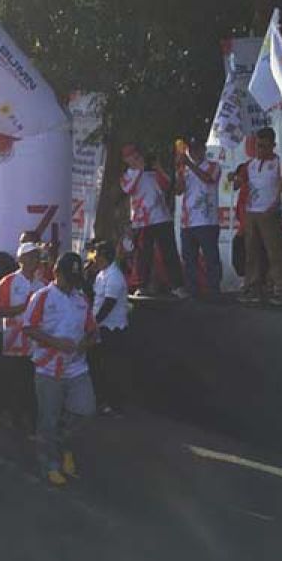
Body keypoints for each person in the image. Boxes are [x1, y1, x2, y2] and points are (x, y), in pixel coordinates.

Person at [23, 252, 97, 487]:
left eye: (75, 280)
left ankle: (65, 447)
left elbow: (92, 330)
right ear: (56, 273)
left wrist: (85, 342)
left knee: (85, 411)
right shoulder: (42, 297)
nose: (71, 284)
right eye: (68, 278)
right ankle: (50, 464)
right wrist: (56, 343)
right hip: (48, 367)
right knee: (48, 419)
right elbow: (29, 327)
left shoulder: (81, 299)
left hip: (76, 367)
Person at [120, 142, 188, 298]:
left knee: (169, 252)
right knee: (143, 254)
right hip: (141, 220)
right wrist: (139, 169)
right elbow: (128, 189)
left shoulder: (151, 173)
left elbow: (166, 185)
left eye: (136, 154)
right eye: (131, 156)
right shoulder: (127, 176)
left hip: (161, 217)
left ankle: (177, 285)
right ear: (126, 159)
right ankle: (141, 285)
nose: (135, 158)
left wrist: (157, 167)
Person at [233, 128, 282, 305]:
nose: (261, 149)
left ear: (273, 145)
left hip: (270, 212)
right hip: (251, 212)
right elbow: (239, 183)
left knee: (274, 252)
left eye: (265, 146)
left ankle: (281, 288)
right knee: (251, 252)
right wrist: (235, 179)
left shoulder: (279, 163)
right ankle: (252, 287)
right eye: (258, 146)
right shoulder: (250, 164)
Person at [0, 240, 44, 431]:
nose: (33, 260)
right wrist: (24, 307)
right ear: (20, 259)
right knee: (14, 384)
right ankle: (15, 422)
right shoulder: (8, 282)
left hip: (36, 344)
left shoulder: (43, 284)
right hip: (13, 343)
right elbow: (0, 310)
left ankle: (31, 420)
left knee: (31, 386)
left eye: (36, 256)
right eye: (29, 256)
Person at [174, 134, 222, 297]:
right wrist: (179, 171)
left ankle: (214, 289)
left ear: (204, 149)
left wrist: (189, 164)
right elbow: (179, 191)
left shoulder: (213, 165)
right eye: (191, 150)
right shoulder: (184, 168)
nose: (195, 153)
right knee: (189, 259)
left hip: (207, 220)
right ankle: (192, 290)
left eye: (198, 149)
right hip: (188, 222)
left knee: (210, 257)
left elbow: (208, 179)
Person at [88, 240, 130, 417]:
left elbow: (109, 303)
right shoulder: (101, 274)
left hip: (112, 329)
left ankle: (115, 405)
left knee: (112, 368)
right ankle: (102, 401)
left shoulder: (114, 276)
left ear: (105, 257)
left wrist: (94, 323)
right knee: (98, 366)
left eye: (97, 256)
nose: (94, 259)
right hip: (101, 328)